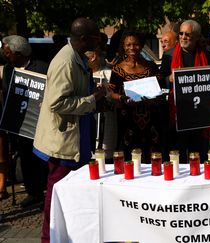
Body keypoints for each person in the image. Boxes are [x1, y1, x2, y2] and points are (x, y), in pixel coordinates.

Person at [32, 17, 104, 243]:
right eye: (96, 37)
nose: (99, 40)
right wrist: (92, 99)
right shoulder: (65, 62)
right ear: (84, 39)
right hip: (62, 143)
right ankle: (49, 237)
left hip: (77, 138)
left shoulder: (78, 57)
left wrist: (100, 97)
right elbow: (57, 103)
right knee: (57, 194)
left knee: (74, 193)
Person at [1, 35, 49, 207]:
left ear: (19, 53)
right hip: (19, 123)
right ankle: (33, 192)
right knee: (26, 159)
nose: (5, 56)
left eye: (8, 53)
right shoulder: (8, 69)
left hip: (41, 123)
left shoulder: (42, 68)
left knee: (43, 159)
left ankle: (48, 190)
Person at [160, 19, 210, 163]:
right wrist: (169, 79)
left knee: (198, 155)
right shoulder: (169, 56)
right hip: (178, 114)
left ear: (196, 37)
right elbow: (160, 82)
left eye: (187, 34)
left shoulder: (207, 56)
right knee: (178, 155)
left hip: (199, 114)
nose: (183, 37)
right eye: (181, 34)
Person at [109, 30, 163, 161]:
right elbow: (111, 93)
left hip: (150, 119)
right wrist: (122, 98)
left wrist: (153, 99)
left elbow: (159, 90)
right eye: (128, 45)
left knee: (151, 157)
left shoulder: (151, 67)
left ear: (141, 45)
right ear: (123, 46)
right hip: (127, 118)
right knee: (129, 156)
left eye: (136, 44)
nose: (132, 48)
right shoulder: (117, 69)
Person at [85, 47, 117, 161]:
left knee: (105, 158)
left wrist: (106, 93)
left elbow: (116, 99)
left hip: (104, 124)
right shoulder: (80, 74)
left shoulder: (109, 74)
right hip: (86, 123)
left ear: (92, 57)